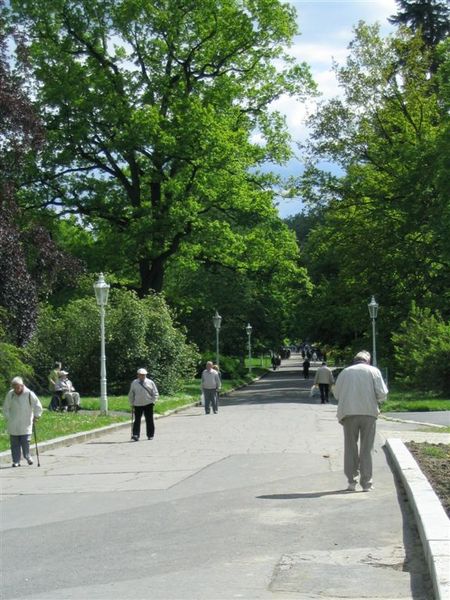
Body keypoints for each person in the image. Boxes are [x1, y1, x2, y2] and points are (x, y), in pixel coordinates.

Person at [334, 351, 388, 492]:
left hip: (348, 413)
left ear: (355, 360)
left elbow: (336, 394)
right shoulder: (373, 371)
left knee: (350, 447)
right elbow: (382, 394)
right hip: (369, 413)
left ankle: (352, 482)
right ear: (367, 361)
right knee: (367, 448)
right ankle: (367, 483)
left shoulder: (345, 372)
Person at [2, 376, 43, 467]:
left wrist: (36, 416)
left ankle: (27, 457)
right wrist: (9, 418)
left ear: (22, 385)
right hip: (14, 423)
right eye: (14, 387)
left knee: (25, 441)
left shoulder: (29, 394)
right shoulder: (10, 394)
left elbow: (38, 406)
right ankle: (16, 461)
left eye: (17, 387)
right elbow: (5, 408)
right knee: (14, 443)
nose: (16, 389)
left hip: (26, 421)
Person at [128, 368, 159, 441]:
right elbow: (131, 394)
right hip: (138, 404)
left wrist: (154, 401)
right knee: (137, 420)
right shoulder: (134, 383)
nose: (142, 376)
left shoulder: (150, 382)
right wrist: (132, 403)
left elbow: (155, 393)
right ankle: (135, 435)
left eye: (144, 375)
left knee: (149, 419)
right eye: (141, 375)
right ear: (138, 375)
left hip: (148, 403)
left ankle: (150, 435)